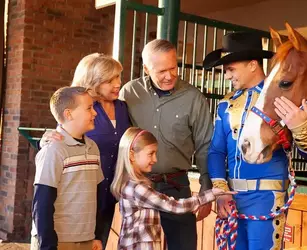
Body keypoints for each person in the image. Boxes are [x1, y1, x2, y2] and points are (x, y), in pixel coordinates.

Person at [203, 32, 307, 250]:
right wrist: (220, 192)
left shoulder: (283, 98)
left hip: (267, 198)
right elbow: (216, 151)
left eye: (231, 69)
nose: (227, 76)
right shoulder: (225, 104)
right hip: (232, 199)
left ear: (252, 64)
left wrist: (301, 128)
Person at [119, 39, 214, 250]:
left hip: (176, 185)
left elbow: (205, 145)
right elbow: (112, 131)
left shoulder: (193, 98)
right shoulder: (129, 93)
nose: (169, 76)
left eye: (173, 68)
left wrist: (207, 189)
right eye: (161, 71)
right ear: (146, 68)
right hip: (139, 188)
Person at [40, 53, 132, 248]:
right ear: (94, 81)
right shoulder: (85, 108)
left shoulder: (123, 107)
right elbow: (62, 135)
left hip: (117, 196)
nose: (118, 84)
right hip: (87, 197)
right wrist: (46, 140)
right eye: (110, 80)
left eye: (119, 77)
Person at [110, 127, 235, 250]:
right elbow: (174, 206)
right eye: (151, 153)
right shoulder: (137, 189)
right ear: (132, 155)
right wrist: (210, 194)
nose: (155, 159)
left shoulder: (131, 185)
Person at [31, 86, 104, 250]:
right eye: (89, 108)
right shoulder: (53, 150)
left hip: (87, 239)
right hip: (58, 242)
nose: (95, 113)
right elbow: (41, 203)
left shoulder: (93, 147)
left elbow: (97, 195)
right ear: (68, 114)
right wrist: (48, 246)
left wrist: (96, 235)